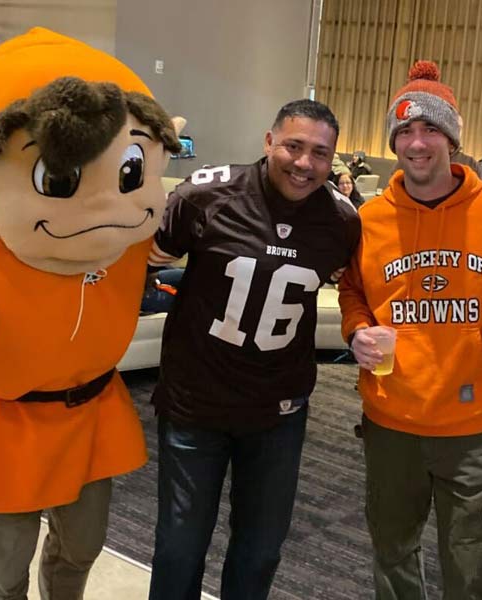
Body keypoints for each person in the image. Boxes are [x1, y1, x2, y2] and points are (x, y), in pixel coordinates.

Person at [0, 28, 183, 599]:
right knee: (2, 575)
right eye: (59, 178)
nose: (107, 207)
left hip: (92, 419)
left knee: (78, 554)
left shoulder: (128, 240)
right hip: (8, 427)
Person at [147, 99, 360, 600]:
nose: (304, 163)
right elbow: (145, 263)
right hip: (194, 404)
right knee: (179, 550)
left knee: (260, 551)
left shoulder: (343, 221)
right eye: (293, 146)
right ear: (269, 142)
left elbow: (357, 289)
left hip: (277, 409)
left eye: (320, 153)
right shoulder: (205, 194)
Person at [338, 60, 482, 599]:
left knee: (471, 564)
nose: (417, 143)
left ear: (452, 137)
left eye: (430, 129)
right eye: (405, 131)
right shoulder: (369, 218)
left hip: (469, 426)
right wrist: (355, 332)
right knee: (393, 550)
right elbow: (352, 290)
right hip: (389, 420)